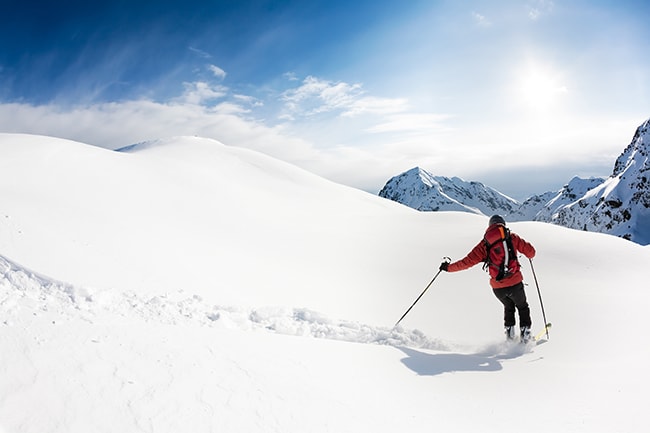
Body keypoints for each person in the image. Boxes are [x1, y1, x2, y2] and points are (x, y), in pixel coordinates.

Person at [439, 215, 536, 342]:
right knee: (522, 307)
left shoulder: (484, 244)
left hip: (497, 288)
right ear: (503, 225)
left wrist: (448, 268)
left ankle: (510, 338)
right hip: (515, 283)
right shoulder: (511, 237)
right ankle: (526, 337)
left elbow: (466, 262)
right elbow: (531, 252)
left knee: (508, 307)